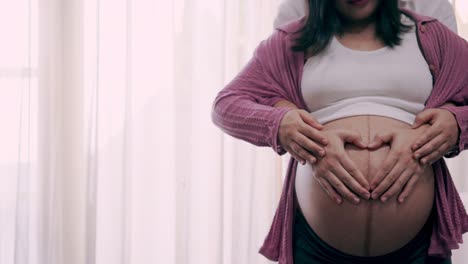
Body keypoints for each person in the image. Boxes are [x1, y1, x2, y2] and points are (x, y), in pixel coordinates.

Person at [210, 0, 468, 263]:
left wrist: (458, 124)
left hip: (418, 249)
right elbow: (226, 105)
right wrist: (281, 124)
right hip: (315, 248)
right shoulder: (291, 41)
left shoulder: (431, 36)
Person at [273, 0, 458, 33]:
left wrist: (453, 116)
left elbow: (458, 87)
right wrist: (283, 114)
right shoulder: (295, 12)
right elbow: (273, 90)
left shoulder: (434, 8)